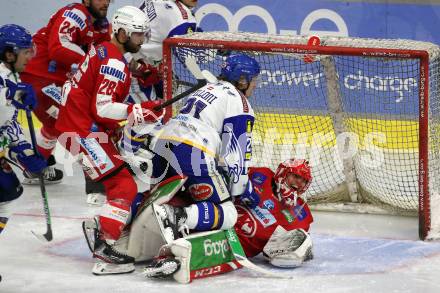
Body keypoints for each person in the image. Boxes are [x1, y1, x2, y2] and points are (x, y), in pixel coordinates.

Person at [55, 5, 163, 275]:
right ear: (123, 32)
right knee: (123, 185)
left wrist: (136, 75)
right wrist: (136, 110)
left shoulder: (105, 48)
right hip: (82, 131)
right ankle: (105, 249)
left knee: (125, 182)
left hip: (80, 127)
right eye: (139, 35)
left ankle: (104, 233)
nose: (143, 40)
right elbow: (103, 107)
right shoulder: (114, 61)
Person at [151, 54, 260, 240]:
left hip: (162, 144)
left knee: (153, 201)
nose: (256, 85)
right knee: (228, 212)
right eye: (254, 80)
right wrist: (243, 189)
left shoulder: (207, 88)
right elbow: (235, 158)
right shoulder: (239, 102)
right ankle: (178, 217)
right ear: (243, 81)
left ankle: (124, 219)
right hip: (191, 150)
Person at [20, 0, 112, 185]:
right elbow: (58, 48)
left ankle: (34, 166)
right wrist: (91, 63)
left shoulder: (102, 26)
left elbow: (107, 56)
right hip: (37, 76)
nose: (106, 2)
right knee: (68, 122)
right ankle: (97, 175)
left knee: (57, 124)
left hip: (56, 80)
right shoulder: (76, 13)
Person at [0, 24, 47, 281]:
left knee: (8, 193)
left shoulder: (11, 77)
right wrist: (11, 97)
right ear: (9, 54)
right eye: (25, 51)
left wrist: (25, 151)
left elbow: (8, 124)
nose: (30, 56)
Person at [127, 0, 200, 103]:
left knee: (172, 91)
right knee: (150, 116)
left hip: (134, 60)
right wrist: (211, 52)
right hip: (134, 71)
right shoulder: (183, 19)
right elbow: (187, 58)